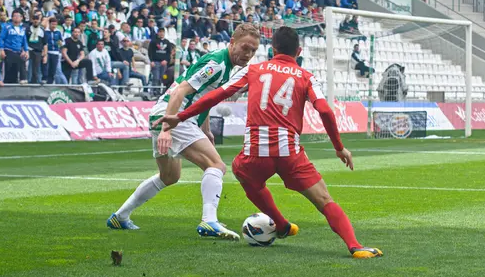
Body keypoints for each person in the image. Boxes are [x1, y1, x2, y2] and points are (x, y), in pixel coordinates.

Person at [153, 27, 383, 259]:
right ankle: (355, 246)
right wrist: (339, 147)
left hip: (255, 154)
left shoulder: (254, 70)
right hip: (290, 154)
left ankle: (282, 224)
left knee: (241, 172)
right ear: (299, 51)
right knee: (324, 199)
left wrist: (180, 116)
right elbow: (324, 109)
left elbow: (216, 95)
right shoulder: (306, 76)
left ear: (272, 50)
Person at [106, 23, 260, 239]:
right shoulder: (217, 64)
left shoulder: (225, 66)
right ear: (232, 43)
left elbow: (203, 99)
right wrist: (167, 130)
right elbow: (180, 91)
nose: (249, 54)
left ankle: (120, 217)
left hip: (165, 115)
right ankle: (209, 221)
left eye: (253, 50)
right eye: (245, 48)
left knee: (169, 176)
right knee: (216, 165)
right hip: (175, 116)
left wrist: (205, 130)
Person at [0, 11, 29, 84]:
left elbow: (24, 41)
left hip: (18, 51)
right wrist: (1, 50)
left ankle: (21, 80)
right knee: (9, 70)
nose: (16, 17)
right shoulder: (7, 27)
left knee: (16, 69)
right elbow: (1, 38)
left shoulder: (22, 29)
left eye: (18, 16)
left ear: (21, 18)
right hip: (9, 50)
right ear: (12, 17)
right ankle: (20, 79)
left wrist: (26, 51)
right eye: (14, 16)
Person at [148, 28, 172, 92]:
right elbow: (150, 52)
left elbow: (169, 53)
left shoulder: (167, 42)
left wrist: (166, 60)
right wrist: (151, 61)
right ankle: (154, 91)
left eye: (163, 32)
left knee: (163, 78)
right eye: (160, 32)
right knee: (156, 77)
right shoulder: (153, 41)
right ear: (158, 33)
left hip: (163, 63)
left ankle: (162, 91)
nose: (161, 33)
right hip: (155, 62)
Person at [44, 18, 68, 84]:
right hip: (48, 52)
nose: (54, 26)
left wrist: (61, 43)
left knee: (53, 70)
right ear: (49, 24)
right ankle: (46, 82)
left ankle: (50, 83)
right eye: (52, 24)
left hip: (56, 52)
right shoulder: (45, 32)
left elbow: (63, 42)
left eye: (55, 24)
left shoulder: (58, 32)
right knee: (47, 68)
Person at [26, 14, 48, 84]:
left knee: (37, 68)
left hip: (38, 51)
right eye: (34, 19)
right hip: (29, 50)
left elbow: (45, 43)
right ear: (32, 20)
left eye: (37, 19)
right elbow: (24, 40)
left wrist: (45, 55)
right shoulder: (28, 29)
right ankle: (28, 81)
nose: (35, 21)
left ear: (39, 21)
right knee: (29, 67)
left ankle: (38, 81)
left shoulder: (42, 30)